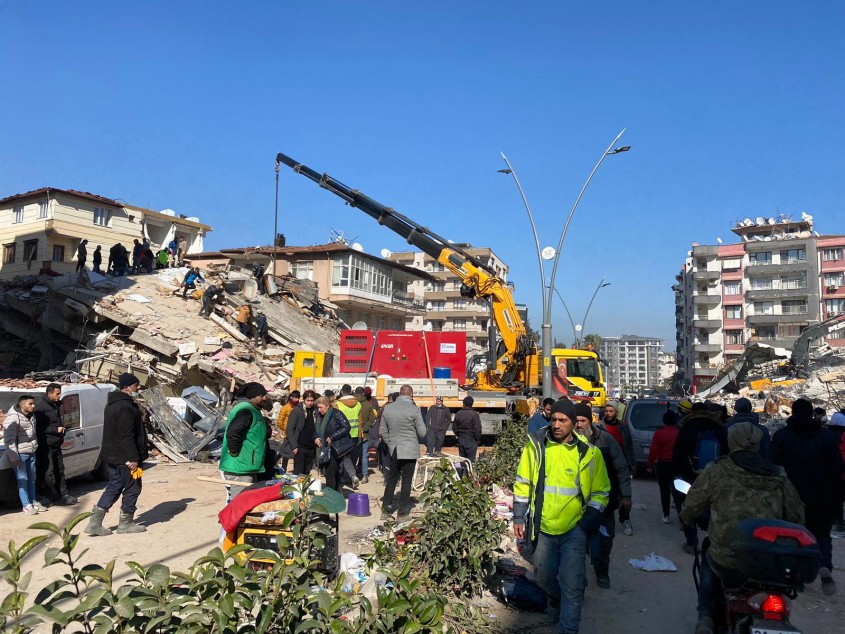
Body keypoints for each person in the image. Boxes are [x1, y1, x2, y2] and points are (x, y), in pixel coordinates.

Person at [681, 422, 805, 634]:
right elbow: (797, 517)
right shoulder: (778, 474)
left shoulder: (718, 470)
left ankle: (706, 617)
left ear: (731, 441)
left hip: (728, 558)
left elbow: (693, 505)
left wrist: (687, 518)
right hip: (770, 559)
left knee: (709, 562)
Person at [512, 399, 611, 634]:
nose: (556, 424)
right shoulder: (535, 447)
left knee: (573, 584)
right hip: (543, 528)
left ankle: (568, 628)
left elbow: (601, 491)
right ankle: (555, 601)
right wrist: (518, 516)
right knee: (544, 578)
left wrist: (586, 523)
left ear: (572, 423)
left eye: (562, 420)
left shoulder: (588, 453)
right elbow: (523, 483)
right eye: (554, 419)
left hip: (573, 531)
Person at [771, 398, 844, 596]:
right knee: (821, 533)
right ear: (812, 413)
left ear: (792, 413)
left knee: (791, 533)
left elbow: (772, 466)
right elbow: (838, 469)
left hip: (791, 496)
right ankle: (824, 566)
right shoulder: (827, 437)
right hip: (821, 494)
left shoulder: (782, 436)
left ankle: (792, 572)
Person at [574, 402, 631, 590]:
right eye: (575, 421)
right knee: (577, 546)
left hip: (604, 504)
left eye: (582, 421)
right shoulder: (568, 445)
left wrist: (626, 496)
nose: (579, 425)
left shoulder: (606, 441)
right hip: (577, 506)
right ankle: (578, 579)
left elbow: (622, 469)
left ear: (590, 422)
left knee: (603, 543)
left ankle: (602, 572)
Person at [85, 374, 148, 536]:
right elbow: (126, 435)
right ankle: (125, 523)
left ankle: (94, 523)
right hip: (126, 458)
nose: (138, 388)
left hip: (113, 456)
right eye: (136, 385)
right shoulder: (125, 407)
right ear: (127, 387)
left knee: (114, 486)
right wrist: (133, 458)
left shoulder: (113, 404)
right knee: (133, 488)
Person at [671, 402, 727, 554]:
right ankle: (714, 543)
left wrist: (675, 473)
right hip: (715, 477)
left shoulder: (686, 429)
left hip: (690, 476)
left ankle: (692, 542)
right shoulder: (719, 430)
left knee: (687, 504)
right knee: (715, 507)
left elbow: (678, 454)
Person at [218, 382, 271, 503]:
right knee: (240, 504)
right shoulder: (246, 411)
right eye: (262, 395)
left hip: (246, 466)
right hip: (240, 469)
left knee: (246, 504)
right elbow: (233, 432)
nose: (265, 398)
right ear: (253, 396)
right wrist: (233, 451)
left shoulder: (252, 410)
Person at [380, 385, 427, 519]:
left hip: (394, 448)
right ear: (411, 394)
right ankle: (402, 513)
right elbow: (422, 432)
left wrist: (390, 443)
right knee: (406, 481)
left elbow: (382, 431)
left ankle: (386, 511)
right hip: (409, 449)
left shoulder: (388, 408)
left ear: (399, 394)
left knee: (391, 479)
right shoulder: (414, 410)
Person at [34, 383, 77, 506]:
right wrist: (55, 430)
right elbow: (39, 428)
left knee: (60, 470)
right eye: (57, 394)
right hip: (46, 445)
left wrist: (61, 432)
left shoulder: (56, 405)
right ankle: (52, 496)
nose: (59, 396)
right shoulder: (41, 409)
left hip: (56, 443)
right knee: (49, 472)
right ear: (49, 394)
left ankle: (63, 493)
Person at [597, 400, 635, 536]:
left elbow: (629, 446)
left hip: (621, 464)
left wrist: (632, 464)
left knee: (624, 494)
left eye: (611, 411)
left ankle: (625, 519)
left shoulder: (623, 427)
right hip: (605, 467)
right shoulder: (599, 427)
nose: (608, 414)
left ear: (616, 412)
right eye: (606, 411)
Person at [3, 394, 42, 515]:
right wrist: (14, 456)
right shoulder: (13, 418)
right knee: (22, 480)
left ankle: (33, 501)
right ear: (22, 405)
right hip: (20, 454)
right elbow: (9, 440)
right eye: (30, 404)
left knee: (32, 479)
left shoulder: (31, 416)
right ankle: (26, 505)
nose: (33, 406)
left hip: (31, 452)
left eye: (33, 403)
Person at [315, 395, 357, 492]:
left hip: (335, 447)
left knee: (330, 473)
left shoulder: (336, 414)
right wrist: (316, 437)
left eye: (321, 407)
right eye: (318, 407)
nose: (319, 410)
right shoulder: (319, 416)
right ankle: (337, 493)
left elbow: (346, 427)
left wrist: (333, 436)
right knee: (334, 472)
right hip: (324, 447)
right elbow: (316, 430)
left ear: (327, 405)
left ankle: (331, 495)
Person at [647, 410, 680, 524]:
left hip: (662, 465)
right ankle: (682, 518)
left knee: (664, 491)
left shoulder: (659, 433)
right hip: (676, 466)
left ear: (664, 421)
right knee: (678, 492)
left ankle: (666, 515)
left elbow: (654, 450)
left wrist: (650, 465)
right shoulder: (679, 432)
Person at [284, 390, 318, 476]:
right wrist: (294, 446)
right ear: (304, 400)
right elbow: (289, 429)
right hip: (300, 447)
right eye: (308, 400)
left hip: (311, 447)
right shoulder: (297, 411)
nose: (310, 403)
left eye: (312, 400)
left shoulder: (316, 411)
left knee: (307, 472)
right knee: (298, 473)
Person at [333, 385, 362, 488]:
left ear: (341, 392)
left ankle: (342, 480)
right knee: (353, 458)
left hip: (343, 435)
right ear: (351, 392)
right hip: (355, 434)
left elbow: (334, 421)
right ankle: (350, 478)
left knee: (343, 457)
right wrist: (360, 434)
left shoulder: (337, 404)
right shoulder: (358, 404)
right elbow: (360, 420)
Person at [354, 386, 376, 483]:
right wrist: (365, 428)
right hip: (365, 434)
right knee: (364, 455)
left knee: (353, 455)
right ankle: (365, 475)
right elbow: (372, 419)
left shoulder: (352, 404)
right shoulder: (368, 404)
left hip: (353, 434)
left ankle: (352, 475)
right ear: (363, 393)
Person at [828, 412, 845, 535]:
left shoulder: (825, 434)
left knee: (836, 498)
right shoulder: (843, 435)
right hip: (842, 471)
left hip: (831, 472)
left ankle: (836, 521)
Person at [276, 391, 300, 472]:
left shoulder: (300, 407)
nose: (296, 399)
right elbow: (279, 422)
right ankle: (283, 469)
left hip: (298, 433)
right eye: (294, 397)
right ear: (291, 397)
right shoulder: (285, 408)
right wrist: (286, 429)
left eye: (297, 398)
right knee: (285, 452)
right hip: (288, 434)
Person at [453, 395, 482, 463]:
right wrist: (478, 440)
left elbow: (454, 427)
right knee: (471, 461)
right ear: (472, 404)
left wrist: (459, 435)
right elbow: (477, 429)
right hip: (471, 439)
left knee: (462, 459)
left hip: (461, 439)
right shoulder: (474, 414)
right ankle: (469, 473)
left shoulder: (458, 413)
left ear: (464, 403)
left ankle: (461, 472)